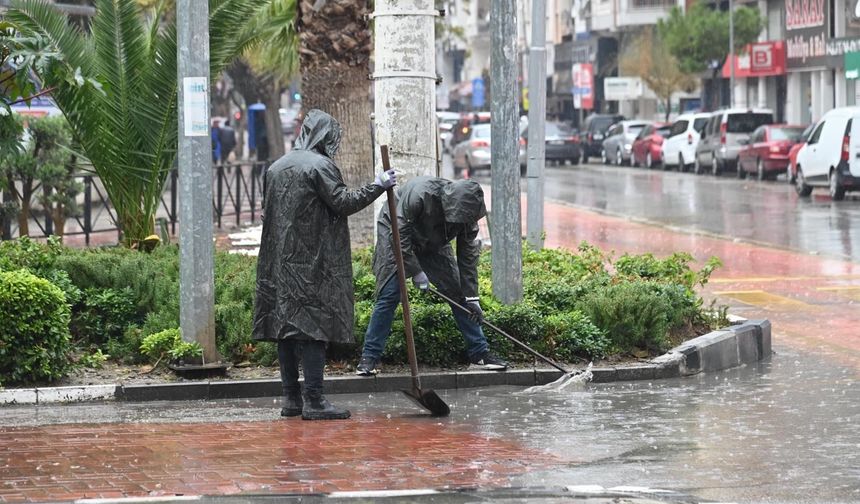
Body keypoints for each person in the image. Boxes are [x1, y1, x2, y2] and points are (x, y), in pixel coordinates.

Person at [253, 109, 396, 420]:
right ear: (326, 137)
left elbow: (268, 214)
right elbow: (343, 203)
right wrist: (378, 185)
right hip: (312, 262)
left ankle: (292, 399)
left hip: (279, 262)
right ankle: (315, 401)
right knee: (313, 327)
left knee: (286, 330)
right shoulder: (320, 166)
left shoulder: (277, 167)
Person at [356, 176, 508, 376]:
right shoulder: (420, 194)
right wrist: (416, 271)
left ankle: (480, 352)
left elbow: (468, 259)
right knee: (390, 293)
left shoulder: (468, 217)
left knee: (457, 293)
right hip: (395, 232)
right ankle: (369, 357)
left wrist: (472, 297)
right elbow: (399, 235)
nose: (460, 222)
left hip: (435, 240)